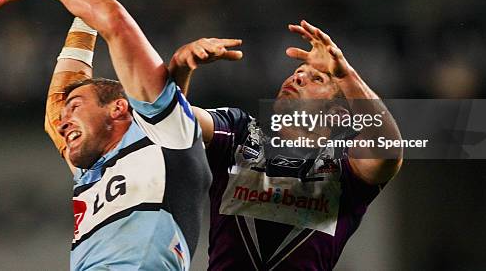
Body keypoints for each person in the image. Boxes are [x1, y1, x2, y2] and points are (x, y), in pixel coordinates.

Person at [0, 0, 212, 270]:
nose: (63, 121)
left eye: (76, 107)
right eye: (66, 114)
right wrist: (85, 17)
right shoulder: (90, 171)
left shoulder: (163, 139)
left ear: (119, 109)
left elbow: (116, 23)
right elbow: (57, 103)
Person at [168, 23, 403, 270]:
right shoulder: (239, 132)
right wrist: (180, 68)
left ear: (337, 115)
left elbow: (387, 150)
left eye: (317, 78)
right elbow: (171, 123)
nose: (297, 77)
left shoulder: (346, 167)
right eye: (297, 72)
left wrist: (346, 76)